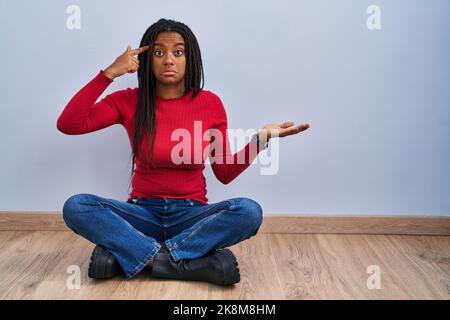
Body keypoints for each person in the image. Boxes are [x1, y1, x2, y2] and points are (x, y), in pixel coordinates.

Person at [57, 18, 310, 286]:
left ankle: (136, 257)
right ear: (146, 60)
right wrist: (108, 74)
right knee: (77, 206)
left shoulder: (209, 103)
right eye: (158, 52)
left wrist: (260, 140)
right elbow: (69, 124)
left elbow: (224, 172)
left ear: (191, 59)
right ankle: (185, 262)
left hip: (191, 217)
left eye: (178, 52)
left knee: (249, 211)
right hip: (142, 213)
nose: (168, 60)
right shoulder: (128, 100)